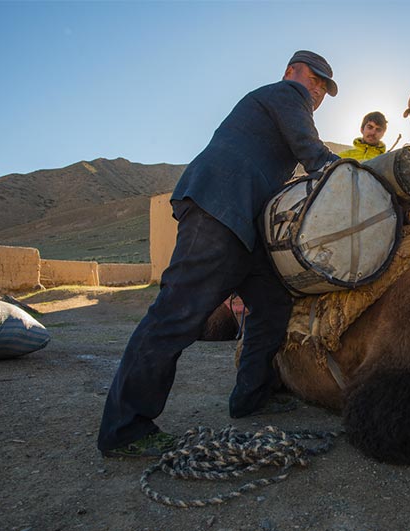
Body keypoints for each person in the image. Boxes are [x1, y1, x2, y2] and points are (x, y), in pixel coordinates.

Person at [97, 50, 340, 458]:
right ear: (290, 72)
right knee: (175, 315)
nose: (316, 90)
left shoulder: (274, 108)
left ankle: (250, 397)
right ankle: (125, 427)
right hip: (219, 210)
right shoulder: (286, 94)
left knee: (273, 304)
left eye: (323, 87)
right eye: (314, 79)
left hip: (245, 223)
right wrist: (359, 177)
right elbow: (311, 152)